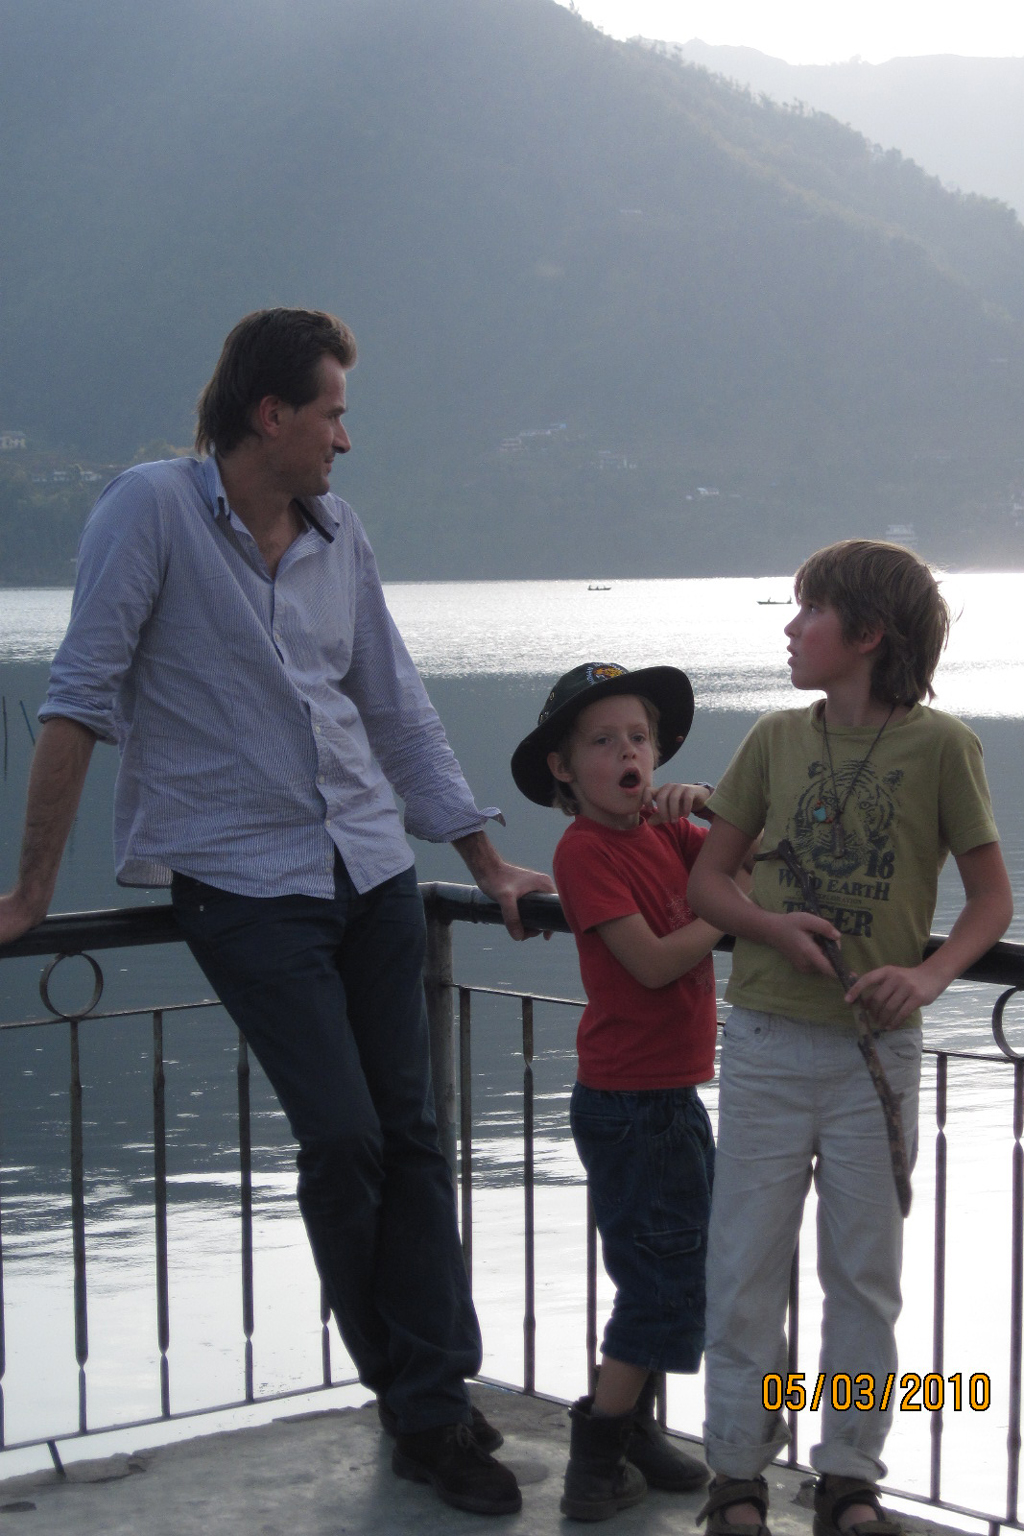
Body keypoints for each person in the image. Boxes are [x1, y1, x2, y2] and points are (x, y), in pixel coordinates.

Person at [0, 308, 557, 1517]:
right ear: (271, 415)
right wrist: (34, 890)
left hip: (370, 870)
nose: (345, 441)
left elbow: (396, 708)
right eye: (334, 412)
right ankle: (415, 1401)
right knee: (347, 1139)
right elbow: (81, 696)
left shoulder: (335, 531)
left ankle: (435, 1402)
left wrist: (490, 862)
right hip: (241, 882)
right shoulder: (149, 511)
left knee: (408, 1135)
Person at [687, 540, 1013, 1536]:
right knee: (743, 1265)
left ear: (867, 634)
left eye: (808, 612)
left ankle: (848, 1478)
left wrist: (923, 975)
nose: (789, 630)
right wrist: (772, 928)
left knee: (862, 1275)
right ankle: (735, 1476)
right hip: (767, 1041)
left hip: (879, 1054)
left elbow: (990, 901)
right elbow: (707, 881)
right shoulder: (775, 740)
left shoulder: (943, 747)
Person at [512, 661, 736, 1521]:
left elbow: (752, 864)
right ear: (564, 769)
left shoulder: (665, 834)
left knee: (676, 1267)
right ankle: (597, 1455)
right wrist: (724, 916)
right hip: (632, 1104)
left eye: (638, 738)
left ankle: (634, 1426)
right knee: (660, 1282)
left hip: (670, 1096)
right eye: (601, 742)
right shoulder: (585, 850)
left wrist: (712, 808)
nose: (626, 753)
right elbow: (648, 962)